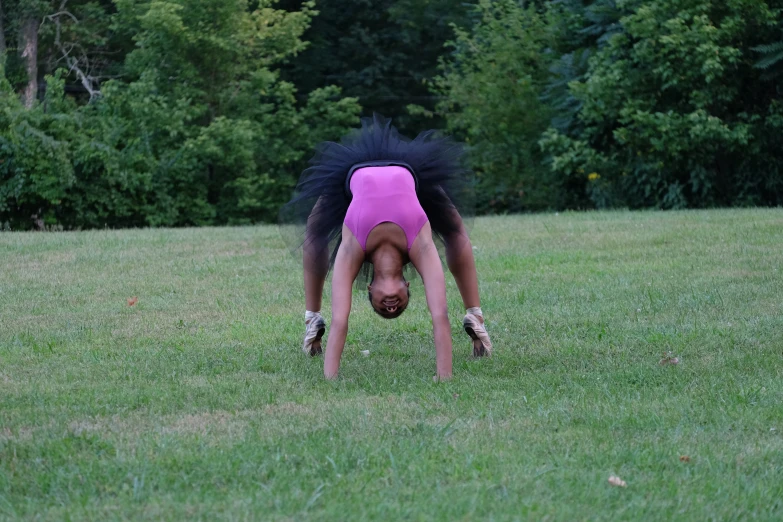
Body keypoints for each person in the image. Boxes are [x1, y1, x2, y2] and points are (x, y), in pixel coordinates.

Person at [280, 115, 492, 380]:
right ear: (408, 285)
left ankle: (312, 318)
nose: (391, 307)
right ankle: (475, 315)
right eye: (397, 308)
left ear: (369, 289)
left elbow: (340, 320)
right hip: (412, 171)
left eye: (382, 309)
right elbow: (439, 314)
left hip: (350, 173)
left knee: (314, 229)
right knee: (454, 227)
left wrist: (330, 378)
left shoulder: (352, 247)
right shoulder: (420, 245)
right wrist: (444, 376)